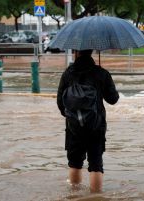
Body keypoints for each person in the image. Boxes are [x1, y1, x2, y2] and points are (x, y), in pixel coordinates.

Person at [57, 49, 119, 193]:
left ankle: (74, 196)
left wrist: (73, 118)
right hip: (96, 125)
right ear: (91, 51)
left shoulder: (68, 73)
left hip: (73, 127)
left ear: (75, 52)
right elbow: (113, 99)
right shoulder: (101, 73)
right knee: (96, 164)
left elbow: (60, 103)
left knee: (74, 163)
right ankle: (95, 197)